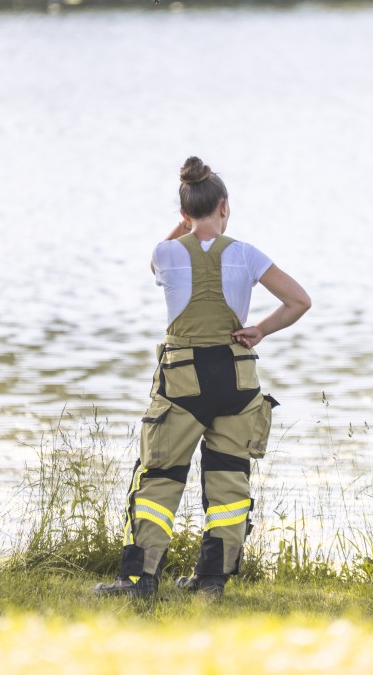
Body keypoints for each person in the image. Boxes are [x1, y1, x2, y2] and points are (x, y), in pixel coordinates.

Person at [94, 156, 311, 600]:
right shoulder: (248, 255)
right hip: (236, 379)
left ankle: (139, 580)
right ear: (225, 206)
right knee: (229, 477)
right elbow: (299, 301)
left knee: (159, 478)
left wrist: (185, 227)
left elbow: (157, 259)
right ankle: (212, 583)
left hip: (184, 380)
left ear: (183, 214)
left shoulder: (166, 254)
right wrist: (261, 329)